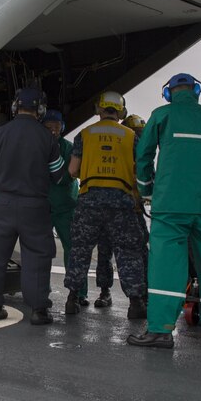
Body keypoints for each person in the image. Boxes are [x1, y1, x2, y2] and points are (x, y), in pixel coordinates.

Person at [128, 74, 201, 348]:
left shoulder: (161, 115)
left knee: (167, 266)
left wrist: (147, 190)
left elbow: (144, 155)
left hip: (171, 204)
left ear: (168, 93)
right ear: (197, 91)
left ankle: (161, 330)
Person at [0, 88, 64, 325]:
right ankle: (38, 310)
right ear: (40, 109)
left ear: (15, 107)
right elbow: (58, 175)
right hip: (34, 205)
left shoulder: (0, 133)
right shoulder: (47, 138)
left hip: (4, 202)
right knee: (37, 255)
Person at [63, 91, 148, 319]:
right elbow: (141, 172)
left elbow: (72, 170)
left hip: (89, 200)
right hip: (121, 201)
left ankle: (72, 299)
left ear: (99, 109)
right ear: (120, 111)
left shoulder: (85, 135)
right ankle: (136, 303)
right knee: (129, 252)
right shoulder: (132, 136)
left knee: (80, 250)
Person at [94, 113, 147, 304]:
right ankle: (106, 291)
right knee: (109, 252)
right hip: (120, 208)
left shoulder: (141, 153)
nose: (139, 137)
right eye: (137, 133)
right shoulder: (123, 150)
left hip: (133, 210)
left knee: (138, 253)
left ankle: (141, 293)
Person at [42, 110, 88, 308]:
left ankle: (79, 292)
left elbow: (73, 173)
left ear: (62, 127)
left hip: (66, 206)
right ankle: (41, 291)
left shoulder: (69, 148)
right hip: (42, 206)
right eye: (48, 126)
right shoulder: (36, 147)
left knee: (74, 248)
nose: (53, 130)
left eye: (56, 126)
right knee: (41, 251)